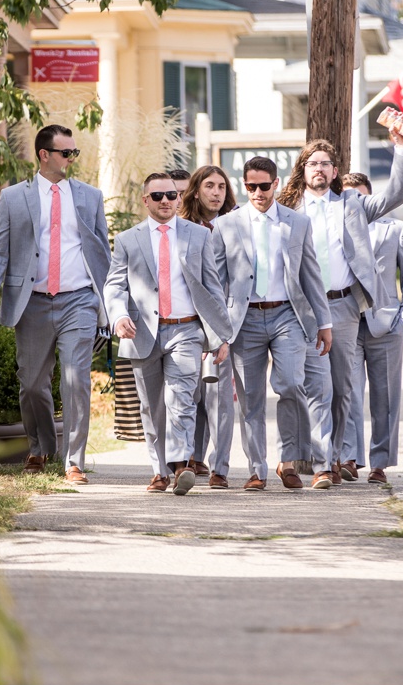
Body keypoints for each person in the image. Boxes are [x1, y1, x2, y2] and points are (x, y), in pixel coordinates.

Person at [276, 124, 403, 488]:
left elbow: (397, 193)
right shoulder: (287, 209)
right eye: (312, 163)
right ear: (302, 170)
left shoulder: (351, 205)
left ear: (335, 172)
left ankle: (332, 457)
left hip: (342, 308)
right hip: (298, 309)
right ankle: (312, 458)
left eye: (325, 163)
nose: (318, 169)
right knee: (302, 385)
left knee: (340, 389)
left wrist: (402, 148)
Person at [0, 124, 111, 485]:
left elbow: (103, 253)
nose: (71, 159)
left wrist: (111, 301)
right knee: (32, 383)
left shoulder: (89, 197)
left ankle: (74, 461)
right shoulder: (12, 198)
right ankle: (40, 445)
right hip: (32, 303)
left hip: (79, 300)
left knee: (75, 379)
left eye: (74, 153)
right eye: (65, 153)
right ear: (44, 155)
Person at [105, 173, 231, 494]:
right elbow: (115, 285)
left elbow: (212, 288)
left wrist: (219, 336)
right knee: (151, 406)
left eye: (172, 195)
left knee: (182, 398)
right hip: (141, 332)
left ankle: (180, 465)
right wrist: (119, 316)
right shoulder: (127, 240)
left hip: (186, 329)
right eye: (158, 196)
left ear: (179, 198)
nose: (165, 201)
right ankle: (158, 470)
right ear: (145, 200)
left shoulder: (198, 236)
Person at [211, 156, 332, 491]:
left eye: (264, 186)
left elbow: (310, 274)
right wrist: (217, 332)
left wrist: (324, 321)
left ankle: (289, 460)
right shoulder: (227, 225)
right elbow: (216, 283)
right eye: (251, 186)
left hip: (287, 315)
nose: (258, 192)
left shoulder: (297, 223)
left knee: (292, 384)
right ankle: (256, 468)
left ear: (276, 184)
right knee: (250, 398)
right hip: (244, 319)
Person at [338, 172, 403, 485]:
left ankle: (379, 464)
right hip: (347, 321)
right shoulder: (335, 230)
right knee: (347, 392)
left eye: (360, 196)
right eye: (348, 197)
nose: (354, 203)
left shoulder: (396, 229)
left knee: (385, 398)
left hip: (385, 325)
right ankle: (349, 457)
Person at [178, 165, 238, 487]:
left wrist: (225, 328)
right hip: (188, 322)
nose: (216, 193)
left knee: (219, 397)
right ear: (197, 190)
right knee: (190, 393)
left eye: (221, 187)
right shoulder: (182, 228)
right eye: (209, 186)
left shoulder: (235, 226)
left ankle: (220, 468)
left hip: (225, 322)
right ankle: (190, 457)